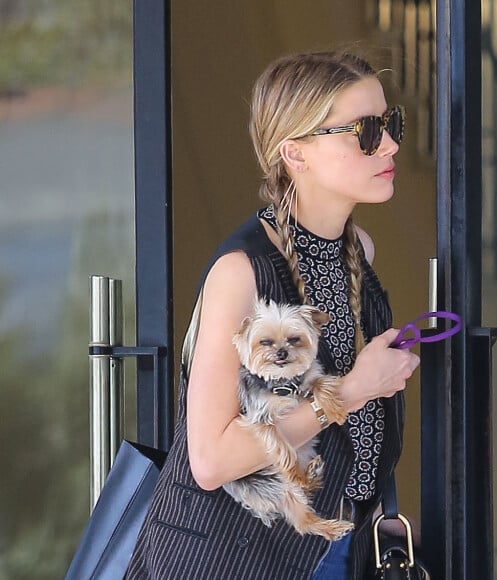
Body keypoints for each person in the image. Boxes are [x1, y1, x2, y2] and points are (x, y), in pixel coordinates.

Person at [126, 50, 420, 580]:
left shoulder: (359, 253)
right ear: (295, 152)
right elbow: (211, 460)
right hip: (227, 561)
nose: (391, 144)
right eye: (367, 130)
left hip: (331, 548)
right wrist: (353, 391)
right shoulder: (243, 272)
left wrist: (371, 511)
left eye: (390, 123)